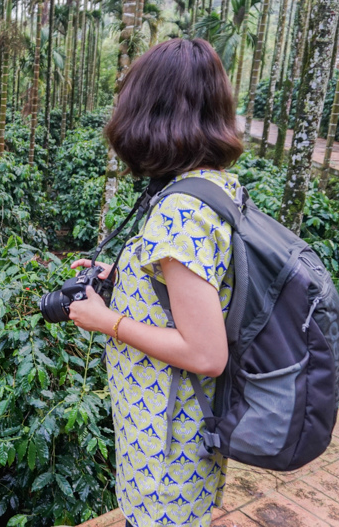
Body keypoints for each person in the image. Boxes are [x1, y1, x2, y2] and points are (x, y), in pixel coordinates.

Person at [68, 38, 244, 527]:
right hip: (180, 436)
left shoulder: (179, 212)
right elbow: (198, 287)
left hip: (168, 448)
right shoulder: (212, 185)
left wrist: (106, 321)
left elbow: (206, 354)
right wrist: (123, 278)